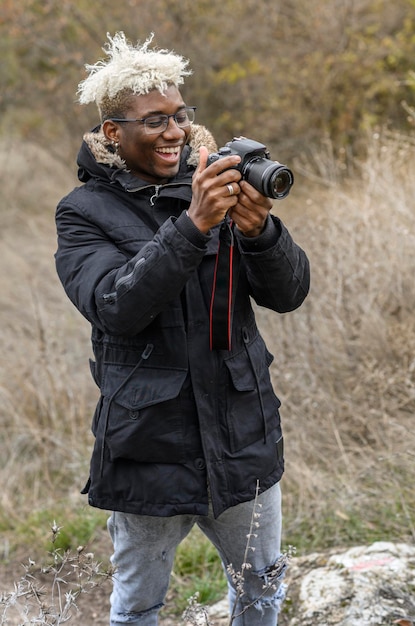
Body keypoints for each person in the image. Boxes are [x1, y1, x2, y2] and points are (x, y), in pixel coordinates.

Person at [55, 32, 310, 626]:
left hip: (242, 432)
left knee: (261, 590)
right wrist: (194, 224)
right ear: (113, 131)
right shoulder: (83, 212)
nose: (173, 132)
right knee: (139, 606)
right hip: (148, 444)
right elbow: (115, 305)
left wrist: (260, 234)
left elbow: (289, 294)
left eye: (179, 116)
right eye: (153, 121)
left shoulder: (216, 181)